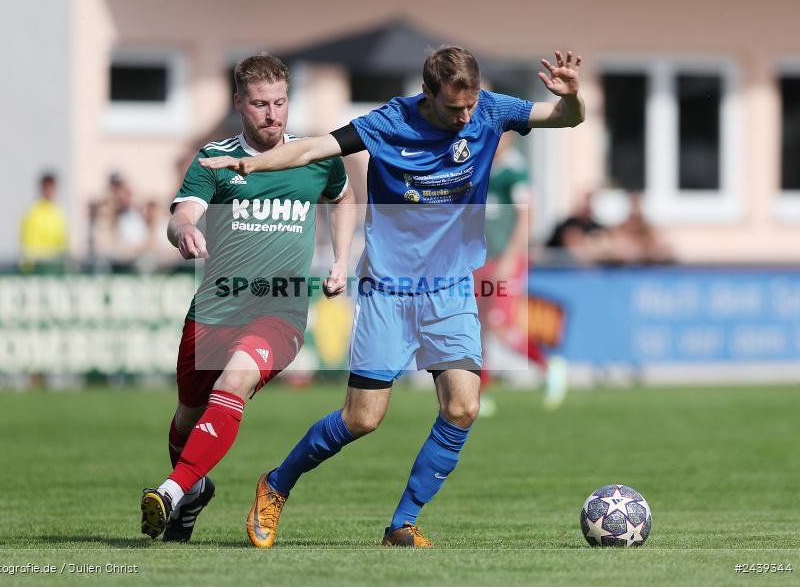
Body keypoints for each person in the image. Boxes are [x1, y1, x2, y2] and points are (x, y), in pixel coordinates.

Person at [203, 47, 584, 547]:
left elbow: (564, 119)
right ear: (427, 94)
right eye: (453, 109)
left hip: (451, 288)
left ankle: (403, 523)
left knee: (464, 406)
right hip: (388, 291)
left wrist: (573, 97)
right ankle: (277, 484)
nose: (464, 117)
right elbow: (311, 149)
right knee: (362, 419)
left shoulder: (490, 109)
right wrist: (250, 166)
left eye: (469, 106)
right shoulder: (387, 122)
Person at [139, 54, 356, 542]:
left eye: (280, 102)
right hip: (215, 310)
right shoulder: (214, 159)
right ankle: (192, 494)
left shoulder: (314, 156)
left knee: (234, 382)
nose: (272, 114)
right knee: (187, 418)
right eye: (260, 104)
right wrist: (185, 231)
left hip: (278, 312)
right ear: (239, 103)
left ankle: (172, 492)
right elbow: (181, 215)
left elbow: (342, 198)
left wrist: (341, 260)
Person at [473, 133, 568, 414]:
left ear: (511, 137)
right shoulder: (479, 166)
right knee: (475, 328)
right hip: (478, 259)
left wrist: (511, 258)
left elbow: (527, 218)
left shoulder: (516, 172)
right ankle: (482, 391)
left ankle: (548, 366)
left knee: (500, 325)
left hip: (504, 260)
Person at [20, 171, 68, 273]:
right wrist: (28, 267)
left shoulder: (59, 212)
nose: (49, 190)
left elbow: (64, 241)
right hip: (36, 266)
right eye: (46, 187)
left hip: (56, 265)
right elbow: (28, 241)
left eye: (51, 187)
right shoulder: (32, 211)